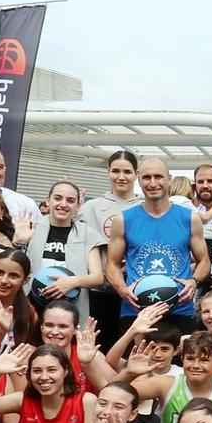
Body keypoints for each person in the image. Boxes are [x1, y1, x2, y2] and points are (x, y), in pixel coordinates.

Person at [107, 154, 210, 327]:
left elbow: (204, 261)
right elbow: (112, 264)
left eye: (158, 177)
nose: (153, 183)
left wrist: (194, 281)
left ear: (169, 180)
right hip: (136, 311)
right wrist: (122, 290)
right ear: (139, 180)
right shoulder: (123, 220)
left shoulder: (189, 218)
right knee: (133, 356)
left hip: (179, 309)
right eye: (147, 177)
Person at [80, 151, 141, 352]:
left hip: (134, 290)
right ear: (108, 172)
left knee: (128, 346)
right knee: (99, 344)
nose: (121, 177)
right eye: (115, 171)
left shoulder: (144, 206)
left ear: (136, 174)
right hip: (100, 290)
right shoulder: (91, 207)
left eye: (127, 171)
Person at [23, 179, 108, 322]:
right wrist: (19, 242)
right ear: (47, 200)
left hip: (70, 311)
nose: (63, 204)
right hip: (32, 307)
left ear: (78, 205)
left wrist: (72, 282)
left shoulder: (87, 233)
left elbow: (98, 278)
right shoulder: (30, 228)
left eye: (70, 200)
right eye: (57, 198)